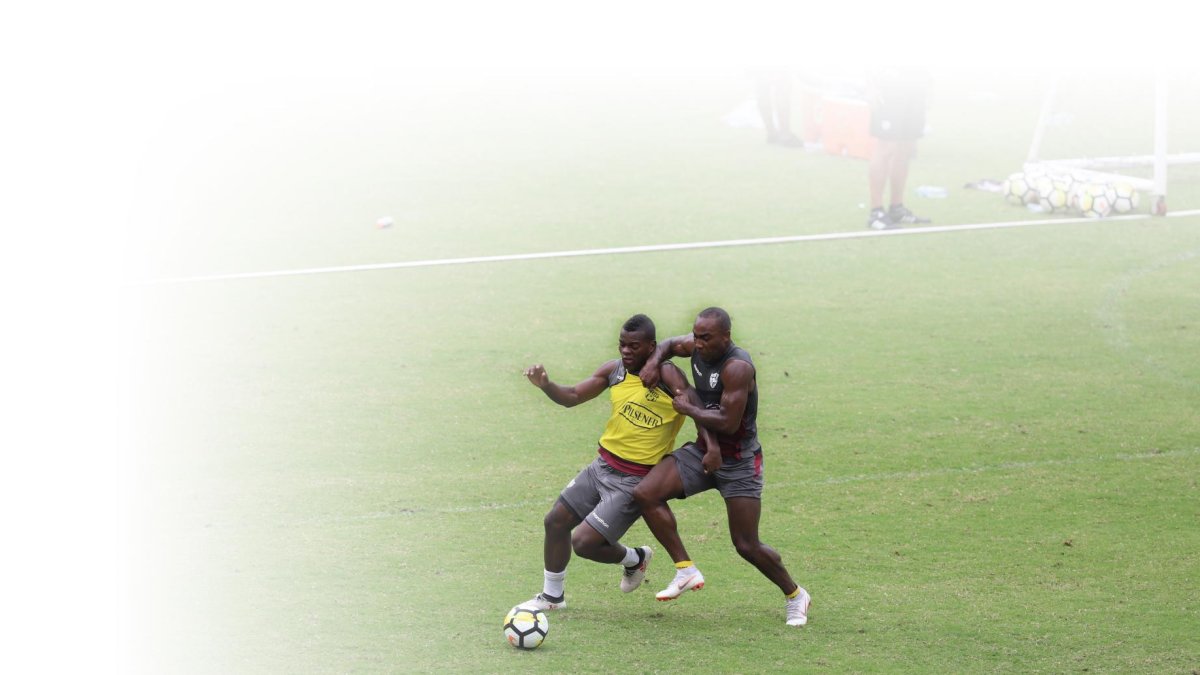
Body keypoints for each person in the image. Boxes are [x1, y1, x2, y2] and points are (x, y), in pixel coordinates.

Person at [635, 307, 811, 627]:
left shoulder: (737, 367)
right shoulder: (695, 346)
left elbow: (729, 422)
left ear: (726, 337)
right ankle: (685, 570)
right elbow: (668, 345)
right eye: (696, 336)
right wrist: (651, 363)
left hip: (739, 461)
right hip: (704, 451)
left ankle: (795, 595)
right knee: (646, 493)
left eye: (706, 338)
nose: (699, 343)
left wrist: (688, 408)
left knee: (746, 544)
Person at [521, 313, 704, 611]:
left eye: (634, 346)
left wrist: (708, 448)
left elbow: (697, 409)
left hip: (634, 480)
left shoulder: (668, 376)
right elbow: (572, 396)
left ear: (652, 347)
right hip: (601, 467)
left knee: (584, 543)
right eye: (622, 344)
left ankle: (634, 558)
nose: (626, 351)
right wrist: (546, 385)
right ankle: (553, 597)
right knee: (555, 521)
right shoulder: (615, 371)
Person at [866, 67, 932, 230]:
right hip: (889, 82)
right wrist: (871, 83)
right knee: (886, 146)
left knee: (906, 147)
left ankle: (897, 208)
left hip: (916, 82)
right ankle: (876, 212)